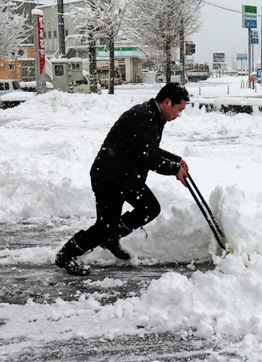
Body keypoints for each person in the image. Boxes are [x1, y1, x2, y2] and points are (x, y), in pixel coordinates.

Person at [55, 83, 190, 276]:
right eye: (179, 110)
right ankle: (67, 254)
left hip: (127, 177)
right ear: (167, 103)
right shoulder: (144, 117)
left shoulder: (153, 115)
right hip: (109, 177)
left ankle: (112, 237)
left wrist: (176, 160)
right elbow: (147, 156)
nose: (179, 115)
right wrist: (174, 169)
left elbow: (148, 149)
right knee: (104, 225)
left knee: (149, 208)